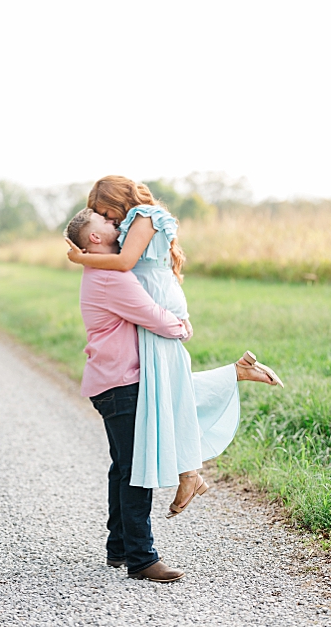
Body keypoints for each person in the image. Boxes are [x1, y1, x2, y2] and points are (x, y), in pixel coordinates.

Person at [66, 176, 283, 519]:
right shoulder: (134, 221)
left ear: (118, 199)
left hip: (155, 301)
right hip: (154, 300)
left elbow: (124, 264)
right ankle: (190, 470)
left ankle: (190, 471)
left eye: (105, 211)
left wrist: (82, 259)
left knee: (166, 390)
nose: (107, 219)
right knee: (167, 389)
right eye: (102, 216)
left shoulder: (143, 216)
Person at [65, 208, 190, 582]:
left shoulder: (99, 270)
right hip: (121, 383)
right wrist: (181, 327)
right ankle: (141, 557)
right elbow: (150, 313)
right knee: (136, 470)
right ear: (95, 239)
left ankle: (118, 547)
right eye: (107, 222)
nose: (116, 224)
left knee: (123, 467)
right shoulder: (110, 276)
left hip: (110, 381)